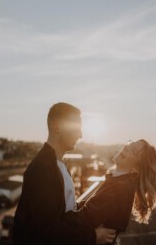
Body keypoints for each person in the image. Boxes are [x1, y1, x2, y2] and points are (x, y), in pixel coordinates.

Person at [13, 102, 116, 245]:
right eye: (76, 128)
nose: (80, 134)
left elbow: (67, 212)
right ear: (57, 128)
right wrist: (92, 237)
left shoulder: (58, 165)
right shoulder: (43, 169)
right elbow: (49, 230)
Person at [63, 139, 156, 245]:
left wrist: (53, 219)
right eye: (130, 144)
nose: (127, 147)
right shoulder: (116, 182)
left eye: (133, 151)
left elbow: (84, 218)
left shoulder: (121, 188)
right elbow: (88, 209)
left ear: (137, 168)